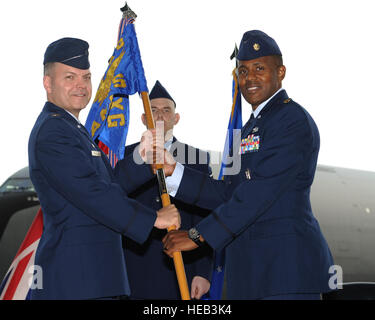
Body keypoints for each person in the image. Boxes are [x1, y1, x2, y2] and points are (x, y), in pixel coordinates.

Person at [151, 30, 335, 300]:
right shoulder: (248, 129)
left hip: (285, 271)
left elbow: (257, 194)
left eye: (259, 68)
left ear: (281, 72)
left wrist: (197, 235)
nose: (249, 78)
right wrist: (174, 172)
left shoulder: (291, 120)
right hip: (251, 273)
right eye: (243, 71)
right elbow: (229, 192)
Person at [28, 38, 180, 300]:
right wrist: (154, 218)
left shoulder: (73, 129)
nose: (81, 85)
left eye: (86, 77)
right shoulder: (54, 131)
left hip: (92, 278)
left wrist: (141, 157)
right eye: (69, 77)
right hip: (76, 280)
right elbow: (93, 193)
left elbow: (109, 183)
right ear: (48, 83)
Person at [114, 81, 213, 299]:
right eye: (153, 110)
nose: (159, 116)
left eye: (166, 110)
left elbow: (205, 215)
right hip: (134, 264)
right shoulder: (125, 158)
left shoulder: (196, 158)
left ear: (176, 118)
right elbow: (114, 205)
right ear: (143, 118)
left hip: (180, 263)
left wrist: (203, 272)